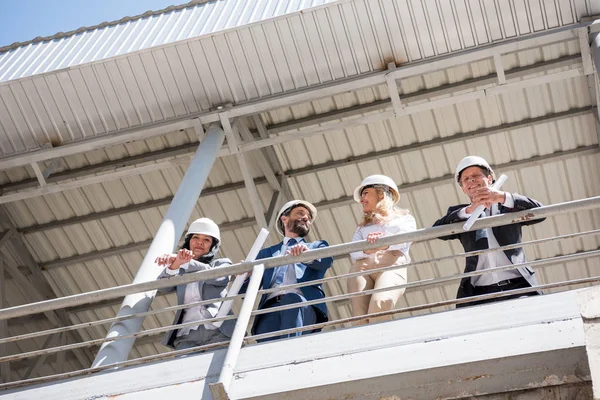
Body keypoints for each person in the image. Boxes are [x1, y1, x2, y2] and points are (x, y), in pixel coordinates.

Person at [433, 156, 545, 307]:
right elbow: (437, 231)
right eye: (465, 179)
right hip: (479, 294)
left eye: (476, 175)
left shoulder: (508, 206)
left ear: (490, 178)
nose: (471, 180)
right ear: (463, 188)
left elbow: (540, 212)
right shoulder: (460, 214)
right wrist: (470, 211)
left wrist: (501, 197)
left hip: (519, 288)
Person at [243, 200, 333, 342]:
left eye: (308, 218)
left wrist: (307, 256)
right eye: (300, 213)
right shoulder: (266, 253)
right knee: (267, 349)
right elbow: (244, 292)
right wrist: (244, 276)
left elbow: (326, 261)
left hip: (302, 305)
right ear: (284, 219)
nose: (306, 218)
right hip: (270, 308)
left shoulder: (316, 245)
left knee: (293, 300)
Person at [155, 218, 235, 350]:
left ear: (212, 246)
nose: (199, 242)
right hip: (186, 336)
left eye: (206, 240)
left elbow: (220, 277)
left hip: (218, 332)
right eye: (195, 237)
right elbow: (162, 288)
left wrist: (183, 261)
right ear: (188, 241)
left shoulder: (222, 263)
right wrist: (174, 265)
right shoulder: (180, 268)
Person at [347, 175, 417, 325]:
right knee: (359, 317)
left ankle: (378, 342)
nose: (361, 200)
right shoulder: (362, 227)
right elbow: (353, 252)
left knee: (381, 302)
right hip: (362, 267)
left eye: (365, 193)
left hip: (391, 264)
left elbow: (404, 239)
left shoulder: (405, 219)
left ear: (381, 193)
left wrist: (382, 243)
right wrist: (371, 249)